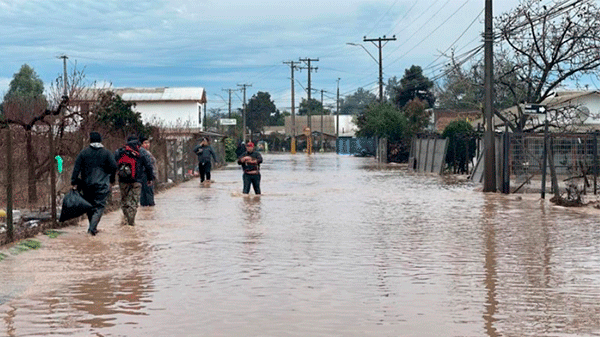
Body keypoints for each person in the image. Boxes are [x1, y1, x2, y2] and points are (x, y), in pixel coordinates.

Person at [70, 131, 117, 236]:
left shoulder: (83, 153)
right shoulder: (107, 153)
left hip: (86, 185)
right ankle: (92, 229)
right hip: (102, 185)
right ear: (100, 140)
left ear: (90, 140)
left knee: (90, 206)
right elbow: (114, 167)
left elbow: (76, 168)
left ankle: (92, 228)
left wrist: (74, 181)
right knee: (99, 207)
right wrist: (111, 180)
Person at [114, 135, 154, 226]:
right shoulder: (142, 151)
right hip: (137, 181)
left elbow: (113, 165)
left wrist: (112, 178)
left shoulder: (120, 151)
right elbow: (149, 166)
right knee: (134, 202)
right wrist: (150, 179)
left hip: (122, 180)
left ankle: (125, 220)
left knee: (124, 201)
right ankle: (131, 223)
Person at [139, 135, 157, 207]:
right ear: (142, 144)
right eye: (145, 143)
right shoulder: (143, 152)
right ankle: (149, 207)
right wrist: (151, 176)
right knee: (148, 193)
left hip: (148, 174)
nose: (147, 144)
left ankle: (146, 210)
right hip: (146, 175)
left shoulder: (146, 152)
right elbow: (148, 165)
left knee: (145, 193)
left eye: (148, 143)